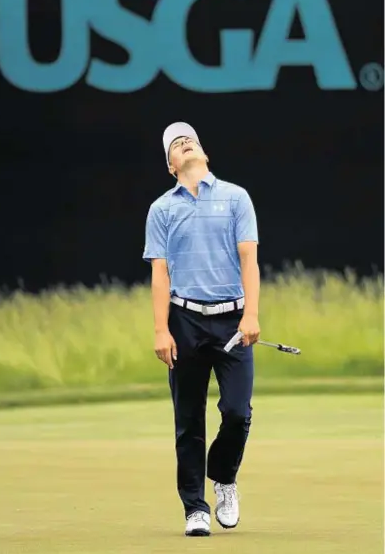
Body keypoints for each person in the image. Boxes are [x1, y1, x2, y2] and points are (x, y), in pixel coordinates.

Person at [143, 122, 260, 537]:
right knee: (188, 419)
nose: (184, 143)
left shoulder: (235, 197)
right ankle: (195, 507)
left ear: (203, 153)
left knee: (236, 412)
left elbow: (249, 260)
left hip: (232, 319)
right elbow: (160, 273)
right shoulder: (162, 209)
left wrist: (251, 314)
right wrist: (161, 329)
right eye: (175, 144)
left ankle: (223, 478)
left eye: (189, 138)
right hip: (184, 319)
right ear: (171, 165)